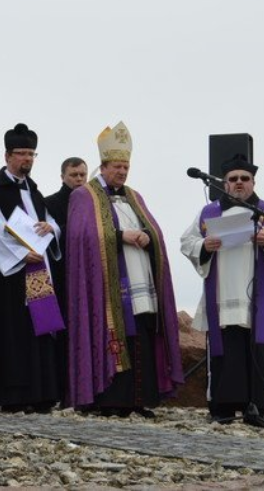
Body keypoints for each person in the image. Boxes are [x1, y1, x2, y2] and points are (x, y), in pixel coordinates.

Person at [66, 122, 182, 417]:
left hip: (140, 279)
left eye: (126, 167)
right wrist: (120, 237)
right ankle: (109, 400)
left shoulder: (134, 196)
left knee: (141, 338)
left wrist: (147, 236)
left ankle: (138, 400)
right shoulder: (85, 195)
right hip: (107, 286)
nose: (122, 172)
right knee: (115, 338)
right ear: (103, 167)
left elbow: (153, 230)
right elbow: (81, 237)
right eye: (117, 166)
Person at [180, 154, 264, 424]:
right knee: (225, 352)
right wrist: (203, 246)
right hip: (222, 295)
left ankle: (254, 407)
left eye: (244, 179)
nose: (238, 183)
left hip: (255, 299)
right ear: (224, 183)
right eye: (232, 179)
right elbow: (186, 241)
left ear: (253, 182)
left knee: (254, 350)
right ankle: (222, 408)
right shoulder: (209, 212)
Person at [0, 124, 64, 413]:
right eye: (21, 154)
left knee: (41, 329)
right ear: (7, 156)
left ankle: (41, 392)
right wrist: (22, 255)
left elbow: (49, 222)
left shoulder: (35, 192)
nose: (27, 159)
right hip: (7, 280)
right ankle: (14, 394)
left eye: (31, 154)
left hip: (39, 273)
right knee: (14, 332)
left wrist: (51, 228)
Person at [44, 156, 87, 403]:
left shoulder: (94, 203)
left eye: (82, 174)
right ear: (63, 177)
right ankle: (62, 390)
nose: (79, 179)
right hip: (62, 276)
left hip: (89, 278)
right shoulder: (49, 203)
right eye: (74, 175)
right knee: (63, 334)